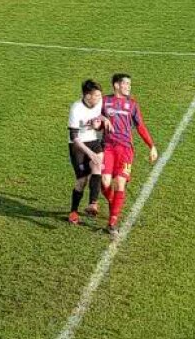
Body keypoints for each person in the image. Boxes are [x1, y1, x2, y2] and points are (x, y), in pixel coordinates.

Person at [99, 73, 158, 234]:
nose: (128, 86)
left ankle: (112, 222)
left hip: (125, 149)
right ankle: (113, 201)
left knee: (119, 183)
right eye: (125, 84)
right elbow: (93, 118)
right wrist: (101, 118)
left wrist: (151, 146)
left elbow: (140, 126)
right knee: (104, 182)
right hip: (108, 147)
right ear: (116, 85)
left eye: (129, 84)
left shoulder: (132, 104)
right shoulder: (104, 101)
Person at [67, 79, 105, 225]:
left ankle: (93, 203)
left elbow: (100, 117)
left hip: (93, 141)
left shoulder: (99, 102)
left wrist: (103, 120)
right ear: (87, 96)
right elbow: (74, 138)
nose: (99, 98)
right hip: (78, 145)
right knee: (82, 180)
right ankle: (73, 212)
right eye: (96, 96)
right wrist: (90, 154)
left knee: (97, 166)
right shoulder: (76, 109)